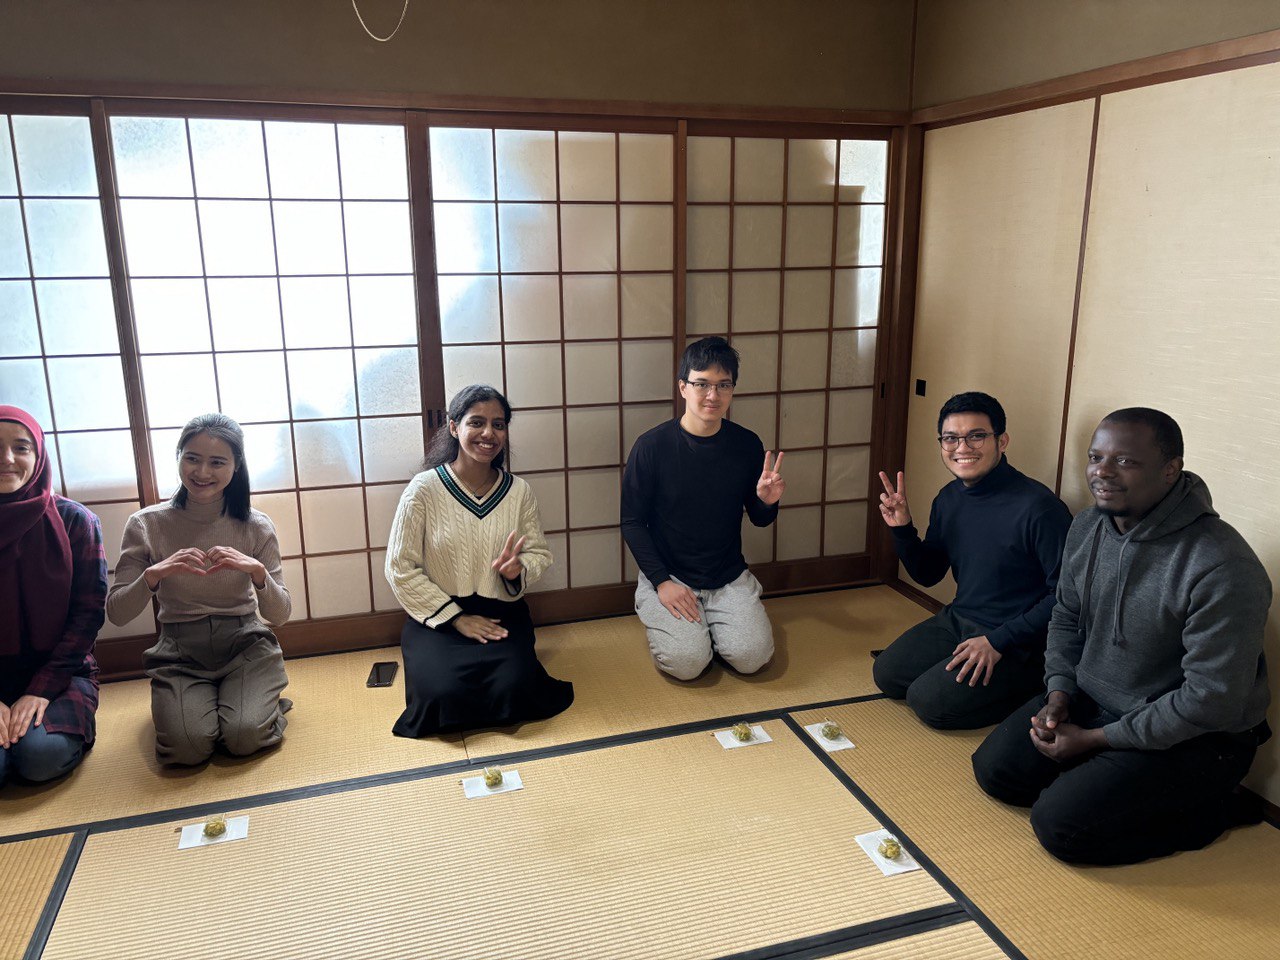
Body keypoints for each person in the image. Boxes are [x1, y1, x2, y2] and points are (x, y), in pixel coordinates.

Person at [973, 408, 1272, 865]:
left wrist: (1096, 741)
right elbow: (1066, 617)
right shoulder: (1088, 526)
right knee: (997, 772)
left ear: (1170, 470)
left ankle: (1212, 810)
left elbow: (1212, 700)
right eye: (1096, 457)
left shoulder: (1221, 565)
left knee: (1061, 829)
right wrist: (1058, 693)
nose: (1102, 472)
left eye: (1125, 461)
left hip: (1196, 738)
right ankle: (1105, 781)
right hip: (1094, 701)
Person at [873, 392, 1071, 729]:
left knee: (928, 702)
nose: (962, 448)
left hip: (1017, 640)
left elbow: (1066, 597)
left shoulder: (1039, 508)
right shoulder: (949, 499)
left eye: (976, 435)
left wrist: (999, 640)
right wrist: (903, 529)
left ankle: (1032, 685)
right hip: (960, 620)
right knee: (888, 674)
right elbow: (928, 573)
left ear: (1002, 441)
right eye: (951, 438)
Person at [385, 384, 572, 736]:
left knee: (514, 692)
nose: (489, 434)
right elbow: (399, 568)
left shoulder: (519, 492)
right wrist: (456, 619)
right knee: (442, 696)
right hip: (438, 616)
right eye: (477, 423)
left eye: (499, 425)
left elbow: (538, 553)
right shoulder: (422, 490)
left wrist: (518, 571)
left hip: (502, 611)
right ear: (454, 428)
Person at [107, 413, 291, 766]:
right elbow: (116, 613)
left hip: (245, 645)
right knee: (186, 748)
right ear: (178, 457)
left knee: (243, 736)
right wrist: (153, 575)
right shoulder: (145, 524)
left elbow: (280, 614)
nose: (202, 472)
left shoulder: (256, 525)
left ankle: (258, 705)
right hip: (179, 653)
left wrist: (256, 573)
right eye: (192, 458)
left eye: (217, 462)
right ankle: (223, 708)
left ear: (236, 467)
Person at [621, 336, 785, 681]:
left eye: (723, 385)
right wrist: (662, 582)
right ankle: (672, 616)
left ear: (732, 390)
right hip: (670, 575)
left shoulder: (746, 444)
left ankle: (718, 621)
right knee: (687, 664)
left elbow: (759, 518)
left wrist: (768, 502)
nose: (713, 395)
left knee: (752, 657)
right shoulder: (651, 447)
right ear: (683, 387)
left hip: (727, 575)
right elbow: (632, 522)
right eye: (702, 384)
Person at [0, 406, 106, 786]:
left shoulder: (75, 521)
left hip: (62, 671)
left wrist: (40, 689)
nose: (8, 459)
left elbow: (88, 614)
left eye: (21, 447)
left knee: (39, 758)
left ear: (38, 454)